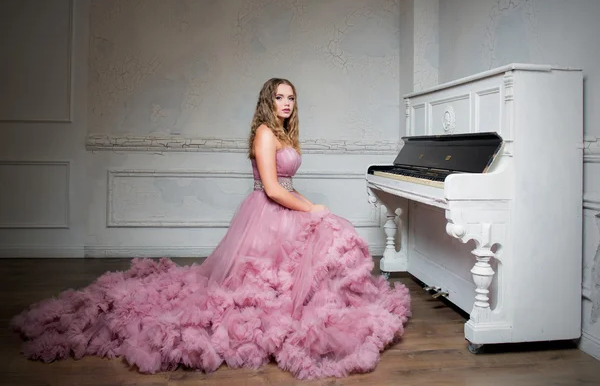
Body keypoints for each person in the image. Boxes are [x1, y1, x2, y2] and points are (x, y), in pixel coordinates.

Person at [10, 78, 411, 380]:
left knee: (314, 255)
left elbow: (285, 184)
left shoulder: (283, 133)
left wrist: (307, 209)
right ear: (267, 101)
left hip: (285, 209)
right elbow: (272, 188)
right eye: (280, 97)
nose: (287, 103)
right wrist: (312, 208)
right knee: (262, 280)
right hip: (265, 213)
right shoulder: (265, 132)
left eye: (291, 98)